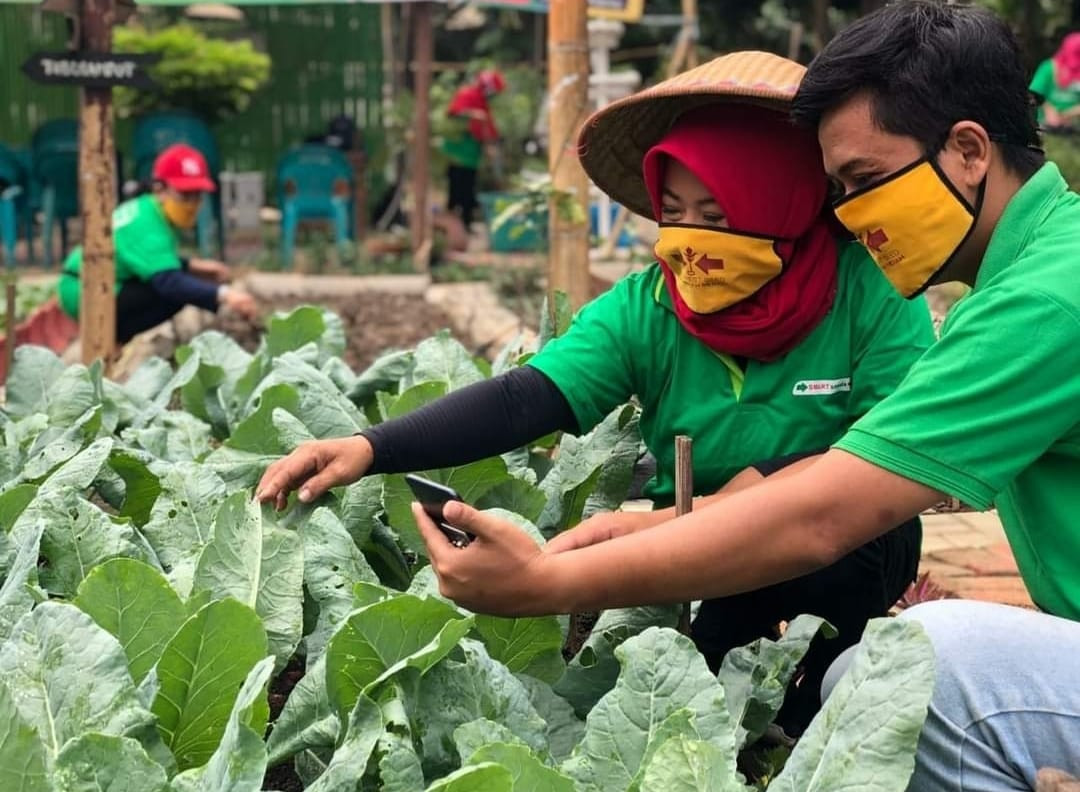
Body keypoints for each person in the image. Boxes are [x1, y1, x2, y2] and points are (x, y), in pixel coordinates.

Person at [403, 2, 1080, 789]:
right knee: (867, 678)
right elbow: (535, 393)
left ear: (968, 150)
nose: (853, 219)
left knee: (930, 668)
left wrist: (547, 584)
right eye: (836, 191)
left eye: (864, 181)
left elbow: (834, 509)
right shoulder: (1035, 270)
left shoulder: (1045, 300)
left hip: (844, 552)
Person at [257, 51, 935, 735]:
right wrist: (370, 447)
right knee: (703, 708)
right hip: (715, 549)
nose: (692, 242)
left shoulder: (871, 290)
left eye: (718, 214)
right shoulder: (650, 308)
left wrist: (672, 523)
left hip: (849, 541)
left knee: (821, 696)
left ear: (784, 199)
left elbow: (882, 462)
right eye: (674, 213)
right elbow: (527, 398)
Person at [58, 144, 257, 343]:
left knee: (185, 281)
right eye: (185, 195)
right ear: (159, 188)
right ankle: (116, 340)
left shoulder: (145, 209)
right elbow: (169, 282)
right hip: (86, 290)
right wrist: (224, 294)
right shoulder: (146, 223)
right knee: (175, 293)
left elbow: (143, 259)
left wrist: (194, 266)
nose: (192, 204)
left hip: (90, 281)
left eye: (197, 195)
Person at [441, 68, 505, 228]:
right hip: (457, 153)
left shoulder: (482, 103)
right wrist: (472, 114)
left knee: (468, 190)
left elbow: (489, 129)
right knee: (456, 190)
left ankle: (465, 224)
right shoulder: (467, 95)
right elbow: (452, 113)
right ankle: (452, 226)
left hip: (471, 156)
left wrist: (492, 144)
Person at [1030, 33, 1080, 131]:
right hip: (1046, 127)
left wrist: (1069, 114)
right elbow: (1034, 93)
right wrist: (1050, 112)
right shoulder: (1048, 68)